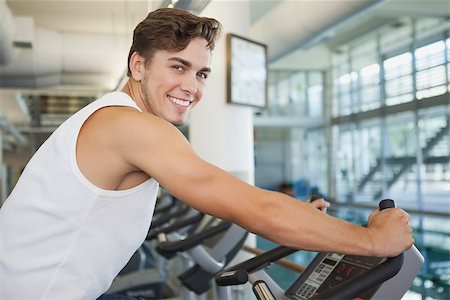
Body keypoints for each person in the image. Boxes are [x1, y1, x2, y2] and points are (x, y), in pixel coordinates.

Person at [0, 8, 413, 300]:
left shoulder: (120, 120)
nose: (192, 87)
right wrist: (374, 239)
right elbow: (256, 211)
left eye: (200, 73)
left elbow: (236, 194)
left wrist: (296, 214)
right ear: (138, 66)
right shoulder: (130, 126)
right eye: (177, 67)